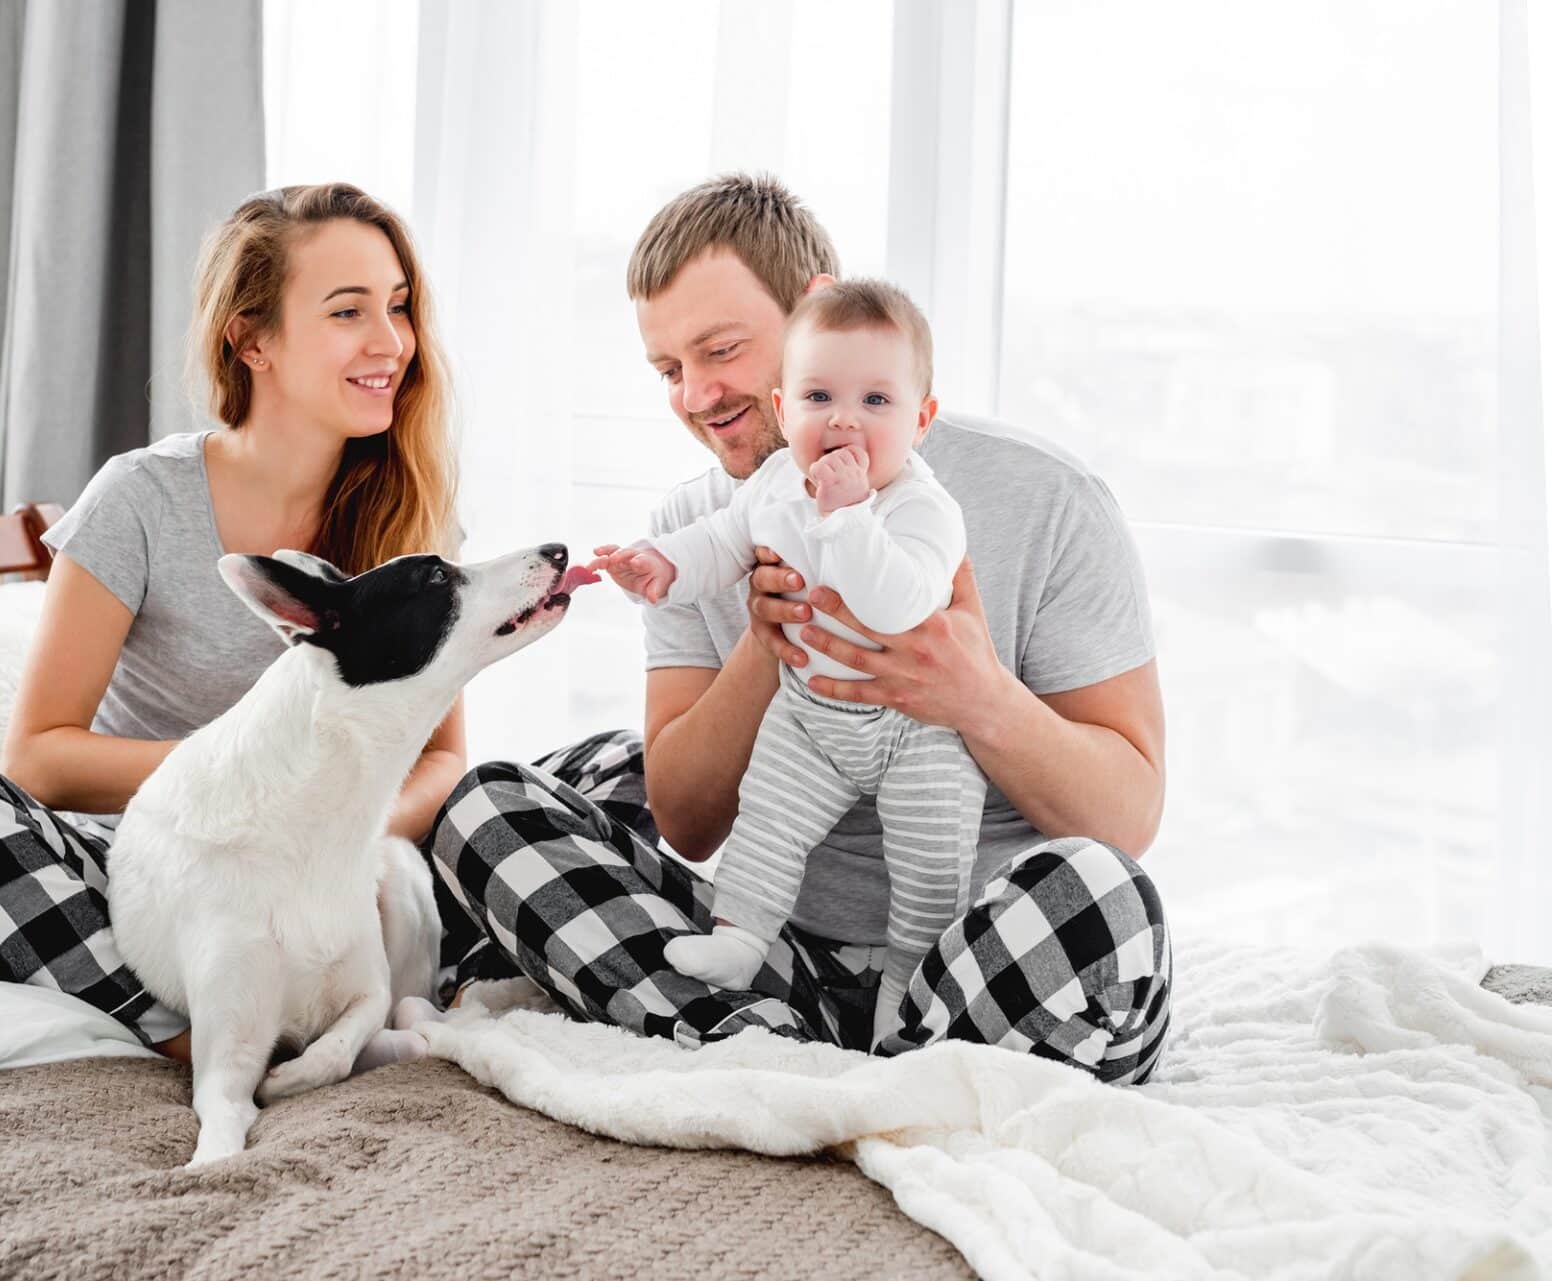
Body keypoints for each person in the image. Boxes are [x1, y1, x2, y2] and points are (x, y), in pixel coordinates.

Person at [425, 173, 1172, 1083]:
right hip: (784, 959)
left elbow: (1126, 818)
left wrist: (978, 697)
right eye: (669, 371)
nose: (697, 395)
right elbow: (690, 823)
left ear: (817, 309)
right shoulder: (703, 524)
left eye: (721, 349)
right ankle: (830, 1063)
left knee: (1105, 907)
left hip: (977, 962)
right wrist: (763, 640)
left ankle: (824, 1067)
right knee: (487, 811)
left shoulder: (1044, 498)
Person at [0, 183, 461, 1062]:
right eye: (348, 311)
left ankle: (406, 993)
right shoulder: (141, 500)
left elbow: (444, 755)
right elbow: (41, 755)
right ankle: (190, 1035)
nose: (391, 343)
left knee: (582, 776)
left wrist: (344, 830)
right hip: (162, 864)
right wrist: (259, 785)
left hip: (339, 868)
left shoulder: (413, 515)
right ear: (251, 339)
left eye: (399, 307)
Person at [595, 278, 981, 1052]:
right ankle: (741, 936)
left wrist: (847, 517)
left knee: (932, 858)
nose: (843, 418)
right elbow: (724, 541)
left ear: (921, 420)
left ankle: (908, 983)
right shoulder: (776, 484)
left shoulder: (921, 508)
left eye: (876, 401)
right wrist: (663, 564)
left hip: (916, 732)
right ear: (783, 408)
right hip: (813, 714)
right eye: (818, 396)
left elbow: (903, 602)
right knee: (769, 812)